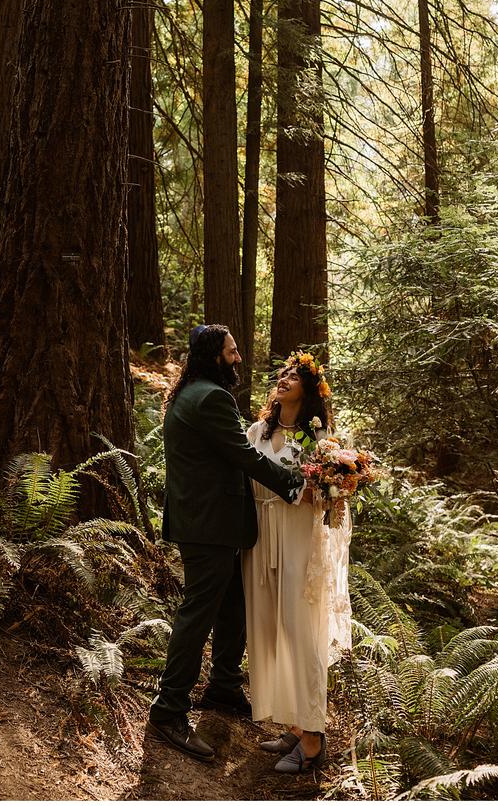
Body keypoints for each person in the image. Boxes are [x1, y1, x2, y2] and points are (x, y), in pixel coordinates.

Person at [148, 325, 308, 763]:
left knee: (232, 603)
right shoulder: (212, 398)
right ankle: (168, 709)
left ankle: (223, 686)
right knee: (199, 612)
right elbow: (244, 455)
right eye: (232, 352)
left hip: (207, 520)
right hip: (209, 524)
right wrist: (294, 484)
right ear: (213, 355)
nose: (239, 358)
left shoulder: (190, 392)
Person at [243, 351, 352, 774]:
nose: (285, 378)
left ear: (308, 390)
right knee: (270, 629)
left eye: (295, 375)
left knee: (300, 630)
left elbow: (331, 495)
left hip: (298, 539)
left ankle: (313, 738)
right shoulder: (256, 431)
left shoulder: (316, 439)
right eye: (283, 374)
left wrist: (325, 488)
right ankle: (292, 724)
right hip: (259, 538)